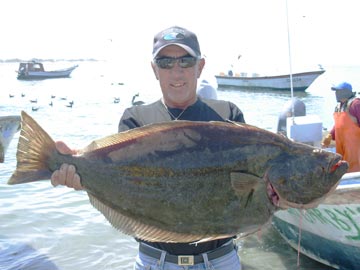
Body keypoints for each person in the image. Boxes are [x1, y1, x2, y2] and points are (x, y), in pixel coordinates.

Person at [51, 26, 245, 270]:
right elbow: (121, 184)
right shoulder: (135, 119)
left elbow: (246, 187)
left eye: (185, 61)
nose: (177, 72)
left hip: (221, 260)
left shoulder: (229, 115)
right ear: (154, 69)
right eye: (165, 62)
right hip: (156, 261)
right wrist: (81, 171)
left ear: (200, 66)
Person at [322, 81, 360, 172]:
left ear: (346, 92)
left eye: (338, 91)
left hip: (355, 147)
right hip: (342, 146)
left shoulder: (356, 104)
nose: (336, 94)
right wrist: (330, 136)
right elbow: (339, 124)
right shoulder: (339, 106)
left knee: (354, 167)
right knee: (343, 166)